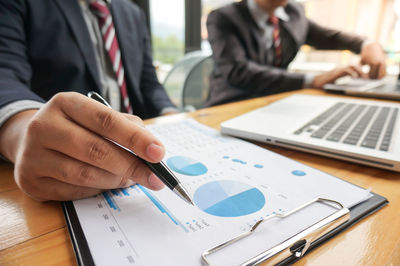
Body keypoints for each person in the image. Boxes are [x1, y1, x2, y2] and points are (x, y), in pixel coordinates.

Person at [0, 0, 177, 201]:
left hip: (137, 145)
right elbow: (4, 74)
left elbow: (148, 83)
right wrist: (21, 128)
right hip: (68, 160)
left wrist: (171, 113)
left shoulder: (133, 12)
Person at [206, 0, 387, 106]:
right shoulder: (223, 18)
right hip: (233, 103)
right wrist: (312, 80)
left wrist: (367, 44)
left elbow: (331, 37)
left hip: (277, 101)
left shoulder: (294, 12)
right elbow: (238, 72)